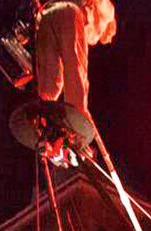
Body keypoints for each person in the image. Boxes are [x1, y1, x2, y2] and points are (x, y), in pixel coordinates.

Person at [33, 0, 117, 144]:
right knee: (75, 64)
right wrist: (82, 114)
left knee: (50, 79)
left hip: (46, 16)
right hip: (68, 11)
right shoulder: (106, 12)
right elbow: (77, 69)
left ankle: (45, 115)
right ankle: (75, 120)